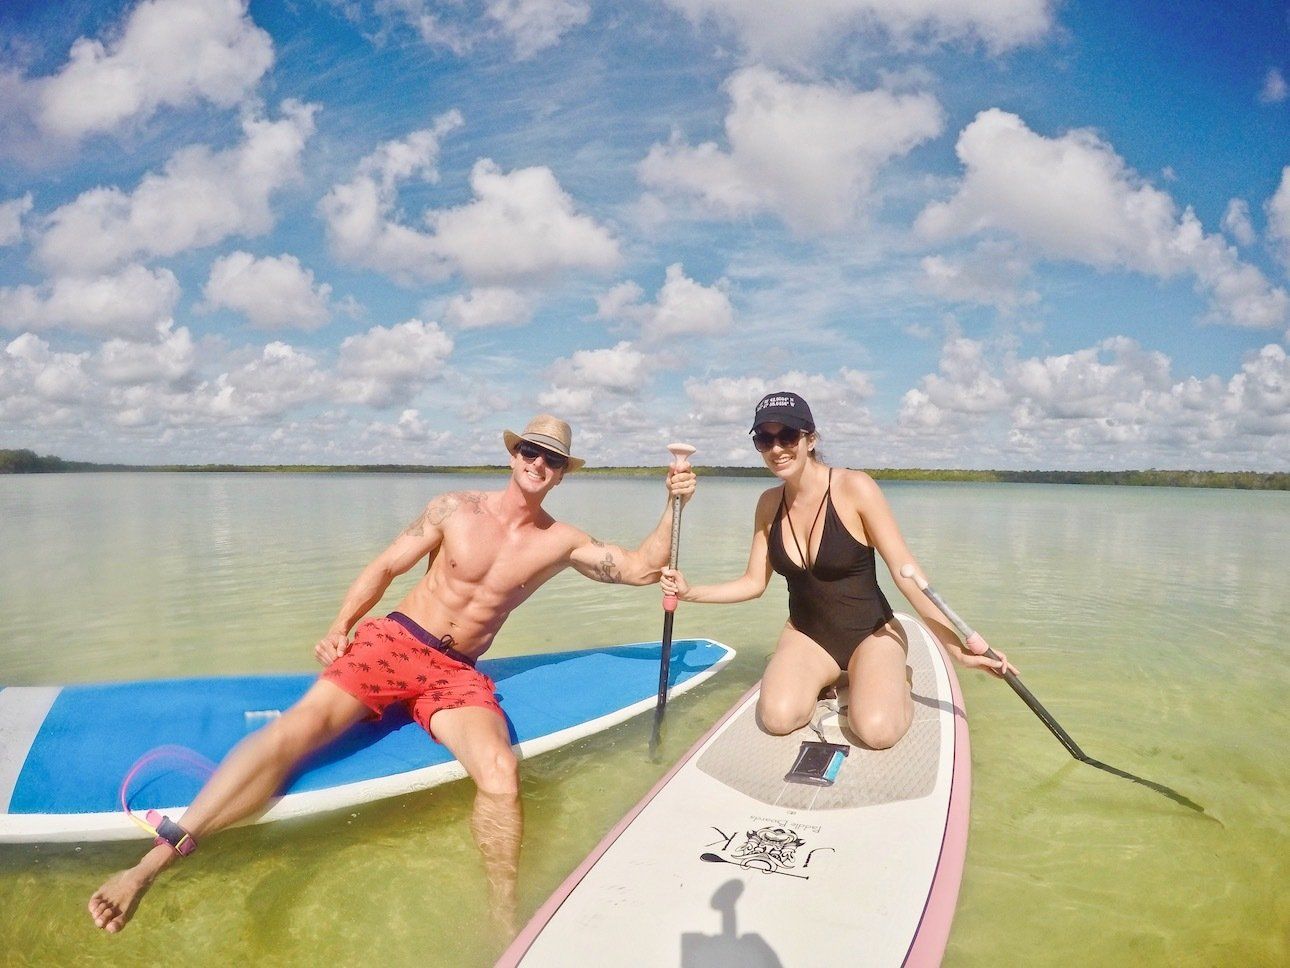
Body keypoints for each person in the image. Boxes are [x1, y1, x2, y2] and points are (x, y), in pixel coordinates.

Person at [89, 414, 696, 935]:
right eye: (531, 450)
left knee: (500, 772)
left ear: (563, 472)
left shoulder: (560, 541)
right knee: (294, 733)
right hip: (397, 642)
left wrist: (674, 502)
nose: (539, 462)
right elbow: (385, 566)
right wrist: (339, 624)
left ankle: (503, 920)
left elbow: (642, 568)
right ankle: (149, 865)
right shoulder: (453, 509)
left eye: (553, 458)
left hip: (457, 673)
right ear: (514, 454)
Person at [661, 392, 1012, 751]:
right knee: (778, 718)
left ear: (810, 439)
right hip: (807, 635)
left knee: (876, 731)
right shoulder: (768, 503)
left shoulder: (854, 487)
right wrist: (691, 592)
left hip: (871, 634)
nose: (776, 448)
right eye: (764, 439)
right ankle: (833, 676)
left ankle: (893, 677)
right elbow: (753, 583)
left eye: (788, 436)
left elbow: (908, 576)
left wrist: (957, 647)